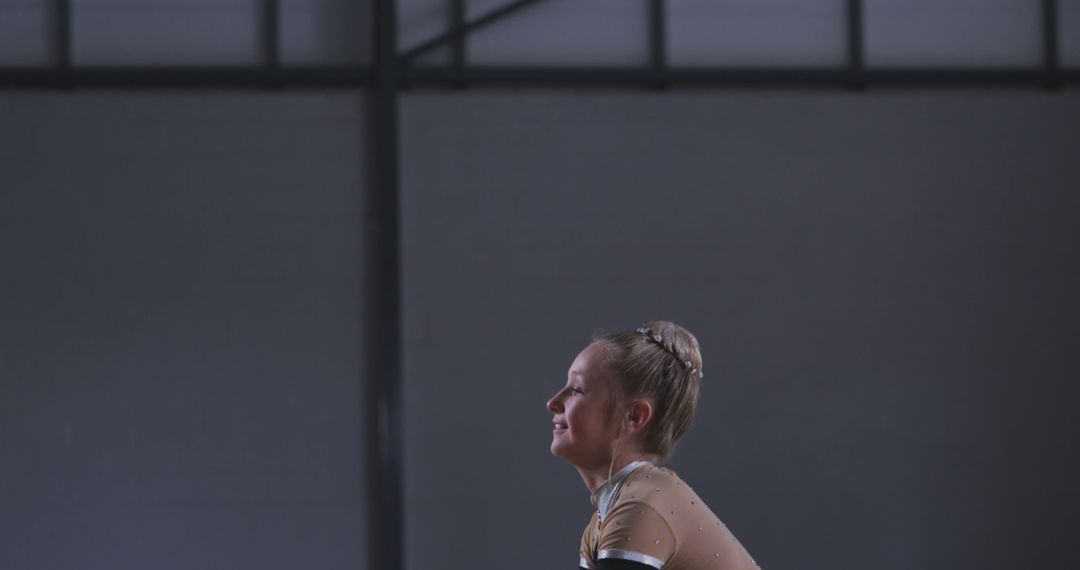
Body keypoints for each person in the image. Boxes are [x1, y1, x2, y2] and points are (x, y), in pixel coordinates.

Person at [547, 321, 759, 570]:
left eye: (576, 390)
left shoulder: (641, 507)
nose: (553, 402)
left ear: (634, 417)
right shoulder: (607, 516)